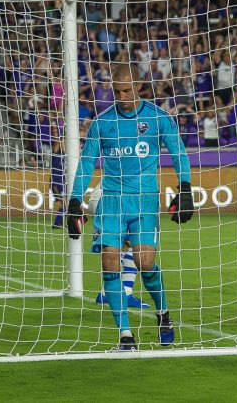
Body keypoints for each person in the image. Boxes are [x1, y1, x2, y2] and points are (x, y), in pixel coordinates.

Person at [66, 63, 195, 351]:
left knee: (144, 263)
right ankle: (125, 335)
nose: (121, 96)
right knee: (109, 261)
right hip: (112, 200)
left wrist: (184, 187)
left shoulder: (159, 118)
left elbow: (179, 153)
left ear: (139, 87)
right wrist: (75, 200)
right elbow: (87, 163)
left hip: (145, 201)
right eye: (117, 91)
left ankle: (162, 313)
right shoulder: (102, 122)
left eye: (126, 90)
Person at [87, 186, 151, 309]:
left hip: (100, 194)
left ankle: (106, 293)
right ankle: (124, 292)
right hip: (117, 197)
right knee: (137, 240)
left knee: (119, 245)